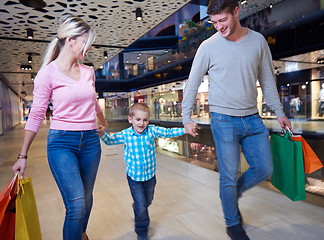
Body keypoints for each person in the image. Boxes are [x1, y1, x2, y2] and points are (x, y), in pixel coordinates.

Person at [181, 1, 292, 239]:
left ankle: (232, 194)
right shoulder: (208, 47)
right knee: (228, 176)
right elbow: (192, 83)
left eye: (223, 20)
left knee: (264, 168)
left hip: (252, 118)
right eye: (214, 22)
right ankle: (233, 224)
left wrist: (279, 111)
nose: (219, 26)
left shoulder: (258, 41)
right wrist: (185, 116)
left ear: (236, 12)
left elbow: (268, 81)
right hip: (223, 120)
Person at [12, 13, 108, 240]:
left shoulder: (88, 72)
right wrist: (22, 155)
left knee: (87, 198)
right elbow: (36, 114)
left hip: (91, 142)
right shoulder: (47, 74)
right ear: (71, 40)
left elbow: (93, 100)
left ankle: (80, 234)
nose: (90, 47)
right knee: (76, 204)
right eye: (86, 42)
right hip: (62, 142)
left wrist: (102, 121)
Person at [99, 103, 189, 240]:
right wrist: (101, 134)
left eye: (145, 120)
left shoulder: (151, 131)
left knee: (147, 201)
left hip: (150, 176)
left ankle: (139, 206)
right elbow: (110, 141)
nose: (142, 123)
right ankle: (141, 231)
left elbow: (168, 132)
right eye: (138, 119)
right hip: (134, 178)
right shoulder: (126, 134)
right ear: (130, 119)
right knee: (141, 206)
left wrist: (185, 130)